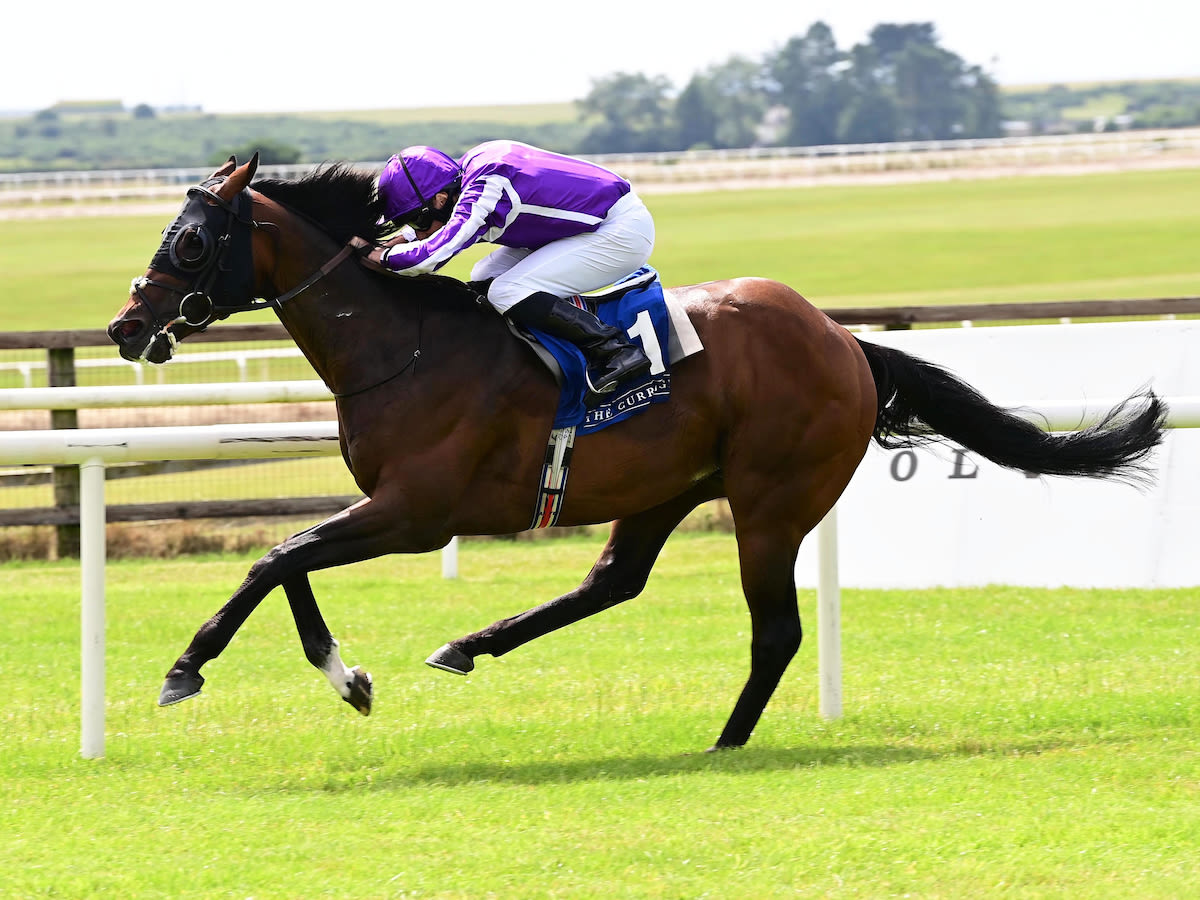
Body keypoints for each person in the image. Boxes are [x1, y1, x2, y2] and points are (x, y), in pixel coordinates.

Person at [367, 140, 654, 394]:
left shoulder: (486, 185)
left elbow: (434, 255)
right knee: (483, 276)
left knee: (506, 291)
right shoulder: (467, 173)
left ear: (440, 199)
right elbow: (438, 230)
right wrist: (396, 238)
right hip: (583, 225)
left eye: (417, 222)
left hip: (619, 230)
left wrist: (380, 257)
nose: (419, 232)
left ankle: (615, 349)